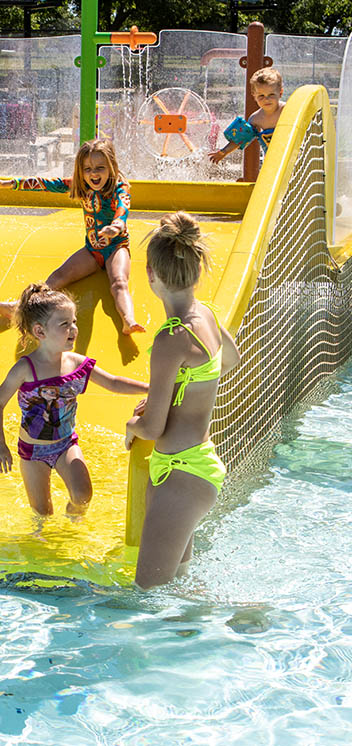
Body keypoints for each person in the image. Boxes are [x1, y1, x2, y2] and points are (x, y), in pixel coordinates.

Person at [124, 212, 241, 589]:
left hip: (181, 476)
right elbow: (230, 359)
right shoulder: (205, 314)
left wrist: (131, 425)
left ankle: (249, 614)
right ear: (195, 269)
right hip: (194, 467)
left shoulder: (171, 338)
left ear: (151, 274)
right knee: (178, 592)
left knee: (147, 597)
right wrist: (182, 393)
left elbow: (152, 427)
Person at [0, 283, 148, 516]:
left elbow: (113, 382)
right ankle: (43, 535)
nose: (73, 328)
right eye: (64, 324)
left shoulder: (76, 364)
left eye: (74, 321)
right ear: (40, 332)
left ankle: (72, 519)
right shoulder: (26, 369)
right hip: (33, 452)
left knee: (82, 496)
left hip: (65, 444)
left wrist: (150, 389)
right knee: (42, 512)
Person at [0, 139, 146, 335]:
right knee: (57, 277)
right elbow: (45, 184)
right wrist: (9, 183)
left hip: (116, 247)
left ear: (111, 166)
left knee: (119, 282)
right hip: (92, 251)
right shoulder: (81, 186)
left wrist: (116, 226)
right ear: (80, 170)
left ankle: (128, 320)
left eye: (100, 168)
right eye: (87, 169)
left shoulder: (119, 189)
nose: (93, 174)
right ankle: (18, 307)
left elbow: (123, 208)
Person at [209, 67, 284, 164]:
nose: (266, 99)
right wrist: (223, 152)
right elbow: (240, 139)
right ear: (254, 95)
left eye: (271, 94)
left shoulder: (286, 109)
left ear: (280, 93)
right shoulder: (256, 119)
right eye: (261, 96)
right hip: (273, 161)